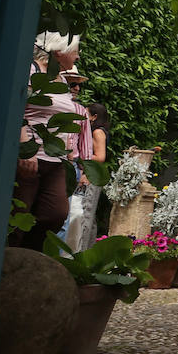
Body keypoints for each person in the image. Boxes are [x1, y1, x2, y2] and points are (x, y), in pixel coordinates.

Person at [14, 32, 88, 251]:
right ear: (58, 52)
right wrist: (25, 148)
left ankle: (31, 259)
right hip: (31, 157)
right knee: (18, 218)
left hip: (55, 161)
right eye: (75, 50)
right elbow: (16, 107)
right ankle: (9, 266)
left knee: (55, 214)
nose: (77, 56)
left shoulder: (62, 79)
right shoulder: (31, 71)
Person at [63, 100, 109, 253]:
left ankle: (82, 252)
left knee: (86, 214)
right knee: (89, 215)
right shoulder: (99, 131)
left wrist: (79, 157)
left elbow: (100, 156)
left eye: (87, 114)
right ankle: (87, 250)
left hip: (92, 175)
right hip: (93, 174)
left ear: (94, 117)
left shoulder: (97, 132)